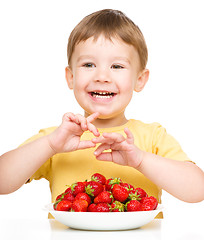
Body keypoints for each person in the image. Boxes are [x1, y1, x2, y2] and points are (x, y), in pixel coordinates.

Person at [0, 10, 204, 216]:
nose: (102, 76)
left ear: (140, 79)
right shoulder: (56, 138)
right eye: (88, 64)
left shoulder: (153, 137)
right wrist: (50, 145)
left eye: (117, 66)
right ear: (70, 77)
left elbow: (197, 190)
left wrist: (141, 160)